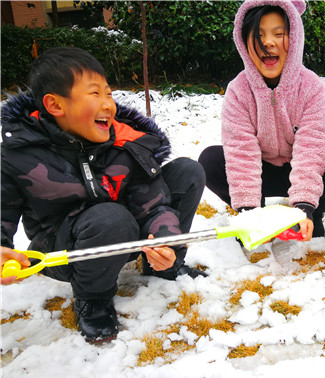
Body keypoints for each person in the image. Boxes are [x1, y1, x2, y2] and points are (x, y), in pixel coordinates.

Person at [1, 47, 207, 343]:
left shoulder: (124, 142)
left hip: (124, 235)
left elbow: (152, 204)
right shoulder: (20, 154)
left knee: (187, 171)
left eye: (109, 93)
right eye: (94, 93)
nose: (108, 104)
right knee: (111, 217)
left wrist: (165, 240)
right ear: (55, 105)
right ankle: (93, 298)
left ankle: (162, 265)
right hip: (65, 252)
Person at [198, 0, 325, 241]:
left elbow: (311, 150)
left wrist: (304, 208)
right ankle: (256, 209)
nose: (268, 42)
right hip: (259, 170)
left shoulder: (312, 87)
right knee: (211, 160)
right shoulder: (238, 91)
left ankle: (315, 212)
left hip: (299, 168)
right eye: (259, 35)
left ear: (295, 39)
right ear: (244, 42)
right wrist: (249, 214)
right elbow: (241, 152)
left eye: (278, 34)